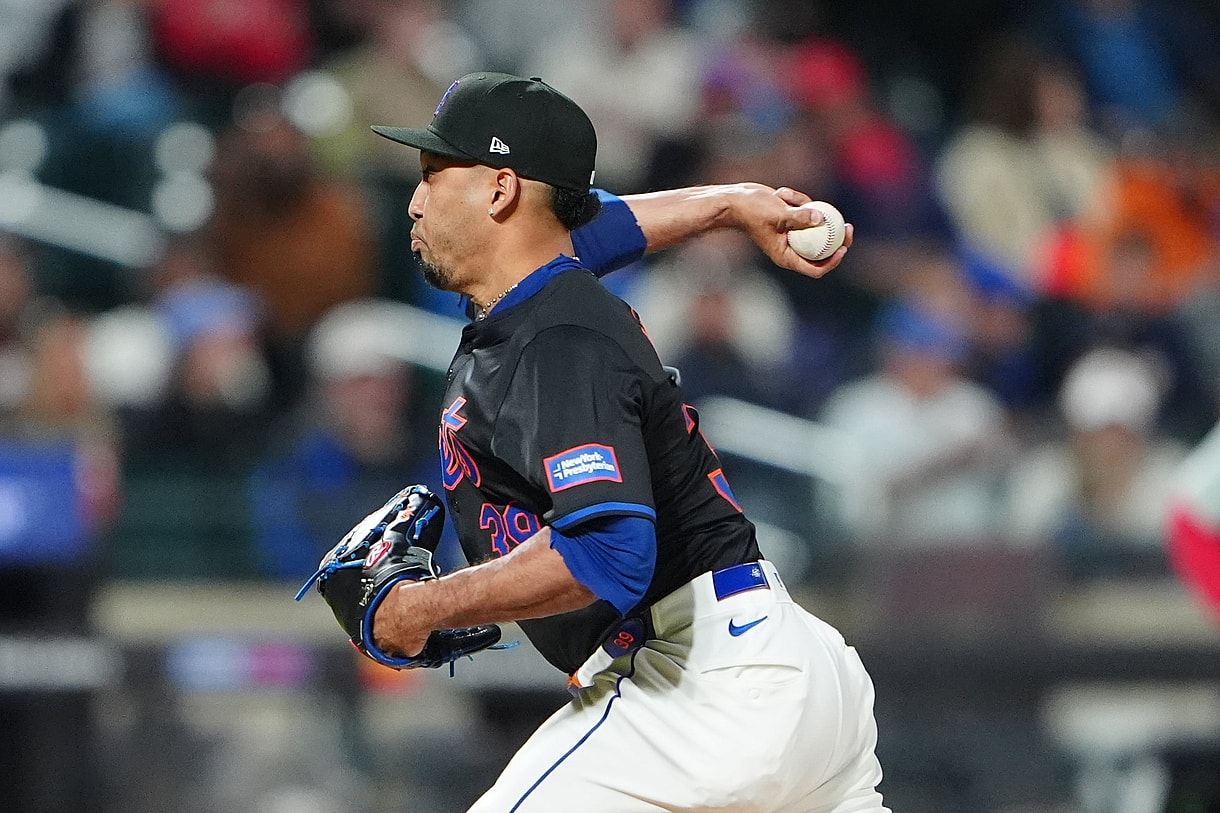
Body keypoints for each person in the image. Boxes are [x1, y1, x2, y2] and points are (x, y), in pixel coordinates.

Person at [356, 71, 886, 811]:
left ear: (500, 190)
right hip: (779, 663)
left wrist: (419, 607)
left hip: (700, 680)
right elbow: (592, 227)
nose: (414, 200)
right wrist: (726, 204)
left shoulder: (558, 339)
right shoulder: (545, 290)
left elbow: (607, 552)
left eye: (435, 174)